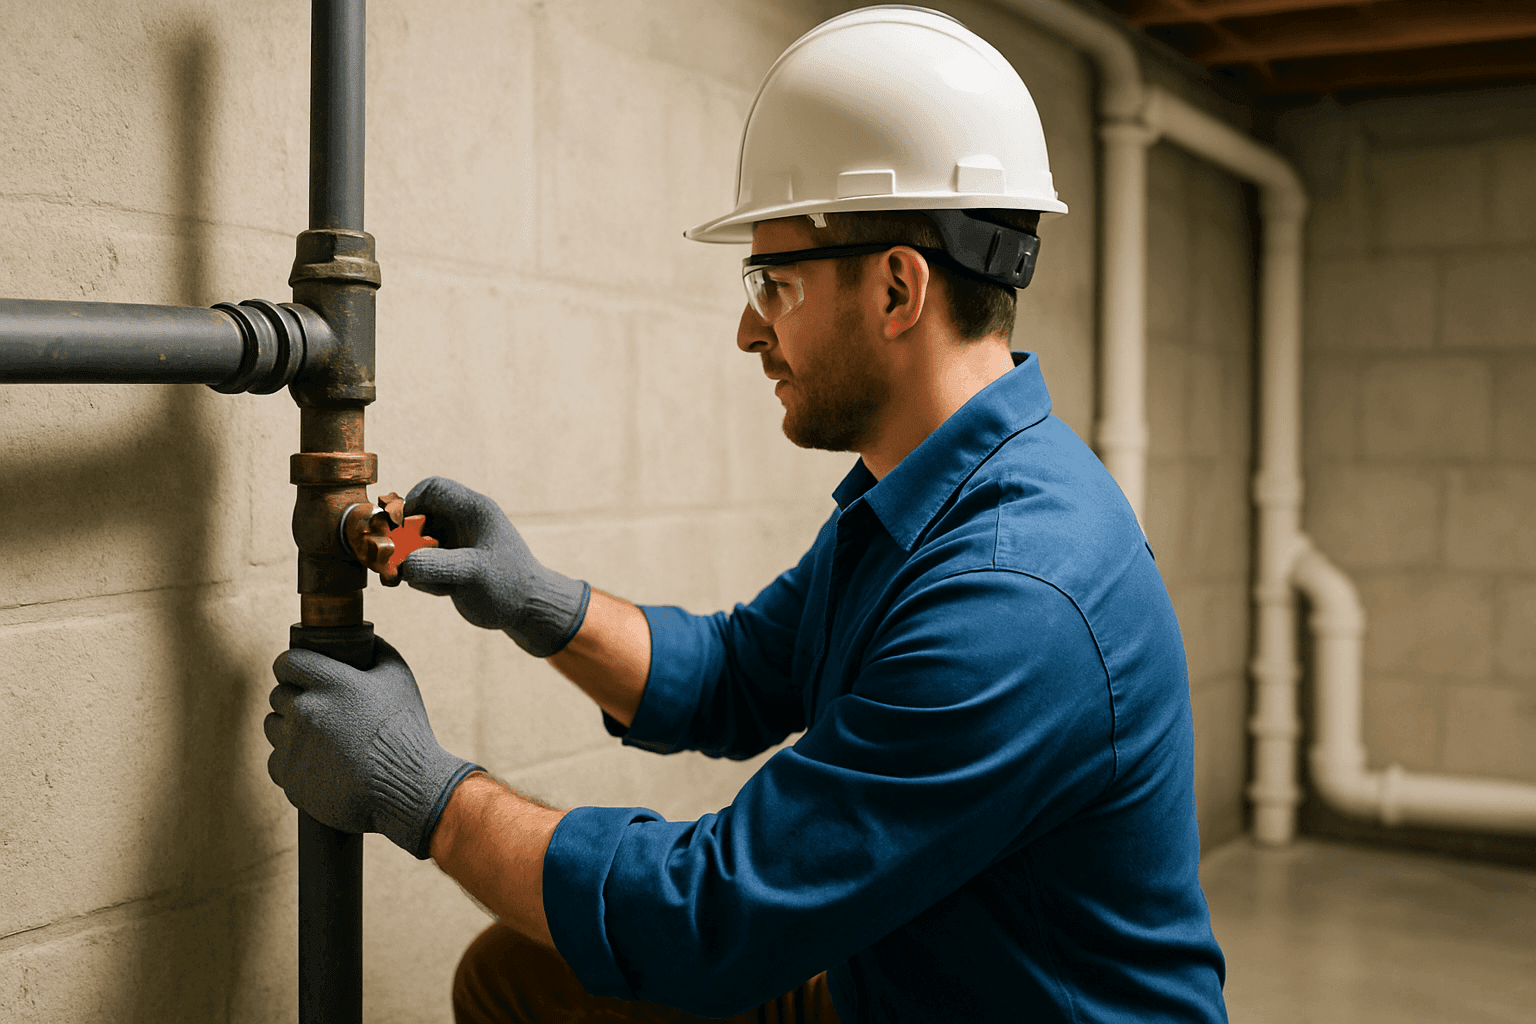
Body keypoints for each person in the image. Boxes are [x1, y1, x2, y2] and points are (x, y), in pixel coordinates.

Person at [264, 7, 1228, 1022]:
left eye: (773, 282)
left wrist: (425, 792)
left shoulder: (1016, 593)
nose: (745, 328)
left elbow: (707, 918)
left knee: (628, 951)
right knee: (519, 973)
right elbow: (735, 672)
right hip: (903, 981)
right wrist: (537, 602)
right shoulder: (930, 500)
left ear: (898, 287)